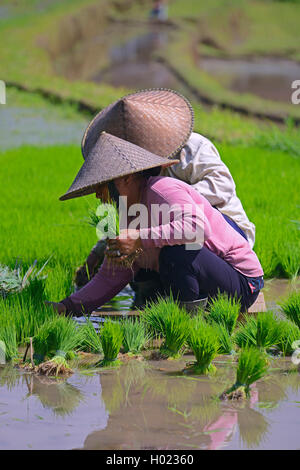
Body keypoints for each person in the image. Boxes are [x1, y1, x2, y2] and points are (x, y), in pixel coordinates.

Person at [49, 128, 264, 317]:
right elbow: (112, 274)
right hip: (212, 281)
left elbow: (198, 228)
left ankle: (185, 325)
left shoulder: (163, 189)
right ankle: (177, 317)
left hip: (243, 281)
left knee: (176, 253)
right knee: (153, 262)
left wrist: (140, 239)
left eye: (103, 186)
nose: (98, 196)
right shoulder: (130, 214)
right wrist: (67, 307)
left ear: (126, 178)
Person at [74, 89, 256, 307]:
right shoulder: (132, 188)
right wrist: (107, 247)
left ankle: (191, 311)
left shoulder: (192, 148)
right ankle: (160, 303)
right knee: (141, 261)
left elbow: (222, 187)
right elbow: (135, 225)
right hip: (168, 230)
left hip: (222, 235)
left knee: (174, 252)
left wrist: (176, 201)